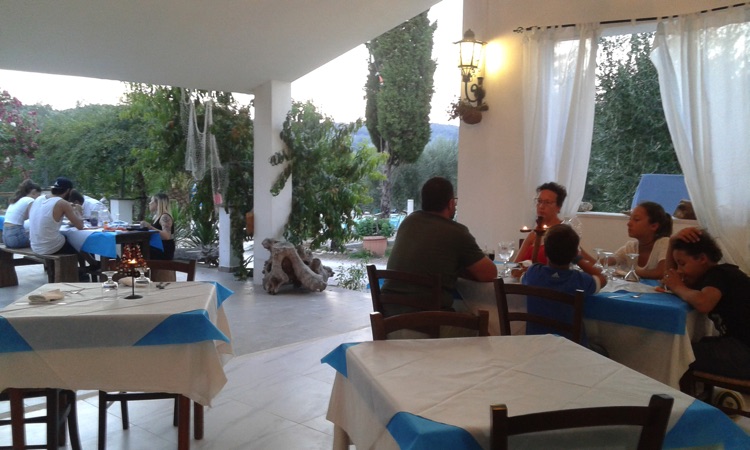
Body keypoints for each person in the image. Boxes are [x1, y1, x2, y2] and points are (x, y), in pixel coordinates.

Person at [382, 177, 497, 316]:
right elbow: (490, 274)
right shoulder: (457, 232)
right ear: (451, 203)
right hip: (429, 321)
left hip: (389, 317)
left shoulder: (409, 222)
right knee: (483, 322)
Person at [662, 227, 750, 382]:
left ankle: (676, 394)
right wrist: (671, 242)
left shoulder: (720, 274)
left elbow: (704, 303)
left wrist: (678, 286)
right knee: (689, 346)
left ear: (702, 258)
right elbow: (669, 279)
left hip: (744, 351)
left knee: (675, 353)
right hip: (738, 346)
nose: (679, 270)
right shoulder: (704, 278)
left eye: (682, 264)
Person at [521, 223, 606, 340]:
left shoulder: (533, 273)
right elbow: (602, 278)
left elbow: (532, 266)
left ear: (545, 252)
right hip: (569, 346)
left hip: (536, 343)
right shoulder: (580, 280)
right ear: (574, 254)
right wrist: (578, 259)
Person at [610, 201, 672, 279]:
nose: (629, 223)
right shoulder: (630, 247)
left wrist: (631, 272)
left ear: (654, 226)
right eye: (630, 219)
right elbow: (608, 261)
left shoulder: (664, 243)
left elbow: (661, 273)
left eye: (636, 220)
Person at [28, 177, 85, 257]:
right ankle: (92, 263)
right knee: (79, 244)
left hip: (35, 246)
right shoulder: (62, 203)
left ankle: (90, 263)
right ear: (68, 191)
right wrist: (78, 211)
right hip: (50, 247)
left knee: (65, 238)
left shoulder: (39, 199)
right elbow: (80, 226)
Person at [514, 182, 567, 265]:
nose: (541, 206)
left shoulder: (564, 232)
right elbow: (515, 264)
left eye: (547, 202)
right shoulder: (534, 233)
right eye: (539, 201)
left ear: (559, 207)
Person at [2, 179, 42, 248]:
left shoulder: (17, 200)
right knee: (42, 242)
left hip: (6, 238)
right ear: (34, 192)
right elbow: (34, 220)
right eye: (38, 195)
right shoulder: (30, 200)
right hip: (16, 238)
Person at [140, 193, 175, 260]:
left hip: (163, 249)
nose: (149, 203)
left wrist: (150, 227)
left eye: (152, 201)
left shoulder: (165, 216)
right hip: (157, 246)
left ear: (158, 203)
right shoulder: (157, 217)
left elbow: (166, 236)